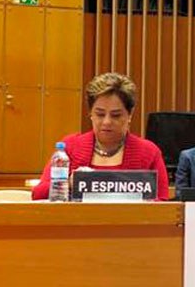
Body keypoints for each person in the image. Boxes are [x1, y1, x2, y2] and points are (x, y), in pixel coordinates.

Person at [32, 73, 169, 200]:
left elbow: (163, 205)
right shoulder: (70, 147)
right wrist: (69, 183)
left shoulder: (148, 152)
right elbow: (38, 194)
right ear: (90, 113)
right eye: (100, 114)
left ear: (130, 114)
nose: (107, 122)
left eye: (116, 115)